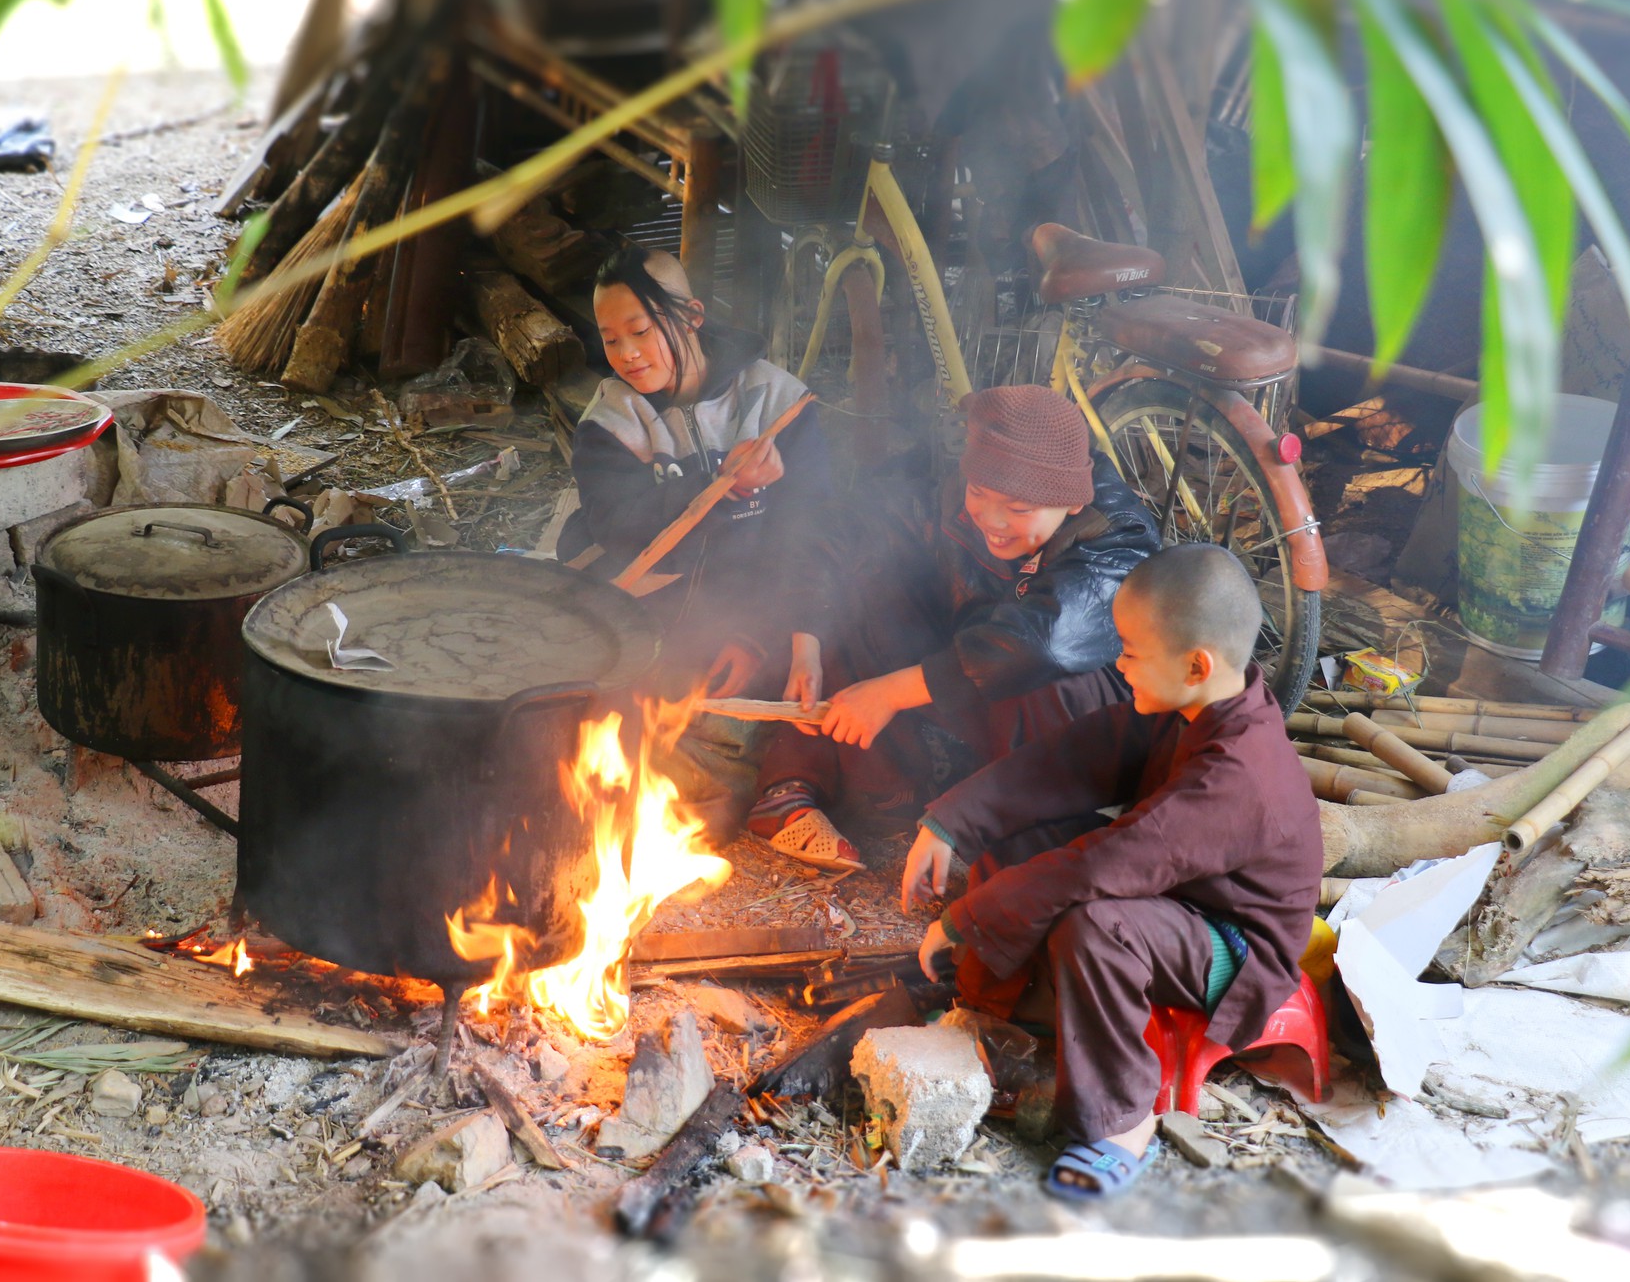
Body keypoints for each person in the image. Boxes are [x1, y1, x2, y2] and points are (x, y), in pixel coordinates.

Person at [897, 544, 1322, 1198]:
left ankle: (1126, 1118)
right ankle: (1012, 1009)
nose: (1117, 665)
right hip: (1174, 893)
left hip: (1232, 940)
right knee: (1031, 839)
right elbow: (1070, 758)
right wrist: (955, 820)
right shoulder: (1191, 705)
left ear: (1195, 663)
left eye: (1128, 651)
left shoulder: (1239, 775)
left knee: (1095, 925)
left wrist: (964, 918)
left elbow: (1108, 862)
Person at [744, 383, 1159, 872]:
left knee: (1039, 667)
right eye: (980, 493)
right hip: (965, 686)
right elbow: (839, 529)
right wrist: (806, 645)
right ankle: (815, 785)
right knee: (867, 580)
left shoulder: (1116, 537)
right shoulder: (947, 486)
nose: (993, 521)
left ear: (1070, 503)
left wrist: (890, 692)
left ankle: (1018, 831)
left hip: (1076, 726)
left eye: (1020, 510)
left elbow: (1043, 643)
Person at [556, 247, 836, 827]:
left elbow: (809, 526)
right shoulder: (611, 422)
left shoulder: (777, 402)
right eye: (610, 339)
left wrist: (775, 636)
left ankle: (782, 785)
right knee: (603, 759)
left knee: (729, 761)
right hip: (644, 617)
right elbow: (624, 532)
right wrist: (721, 487)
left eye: (641, 330)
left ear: (693, 316)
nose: (627, 354)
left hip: (749, 611)